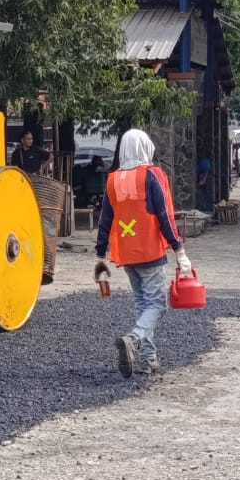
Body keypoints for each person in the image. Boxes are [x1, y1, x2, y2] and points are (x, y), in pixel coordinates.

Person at [93, 129, 192, 378]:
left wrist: (100, 256)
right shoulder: (153, 175)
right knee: (157, 306)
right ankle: (133, 339)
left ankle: (149, 360)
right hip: (149, 249)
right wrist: (179, 249)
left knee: (142, 304)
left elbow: (105, 219)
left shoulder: (113, 179)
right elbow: (164, 215)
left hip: (126, 253)